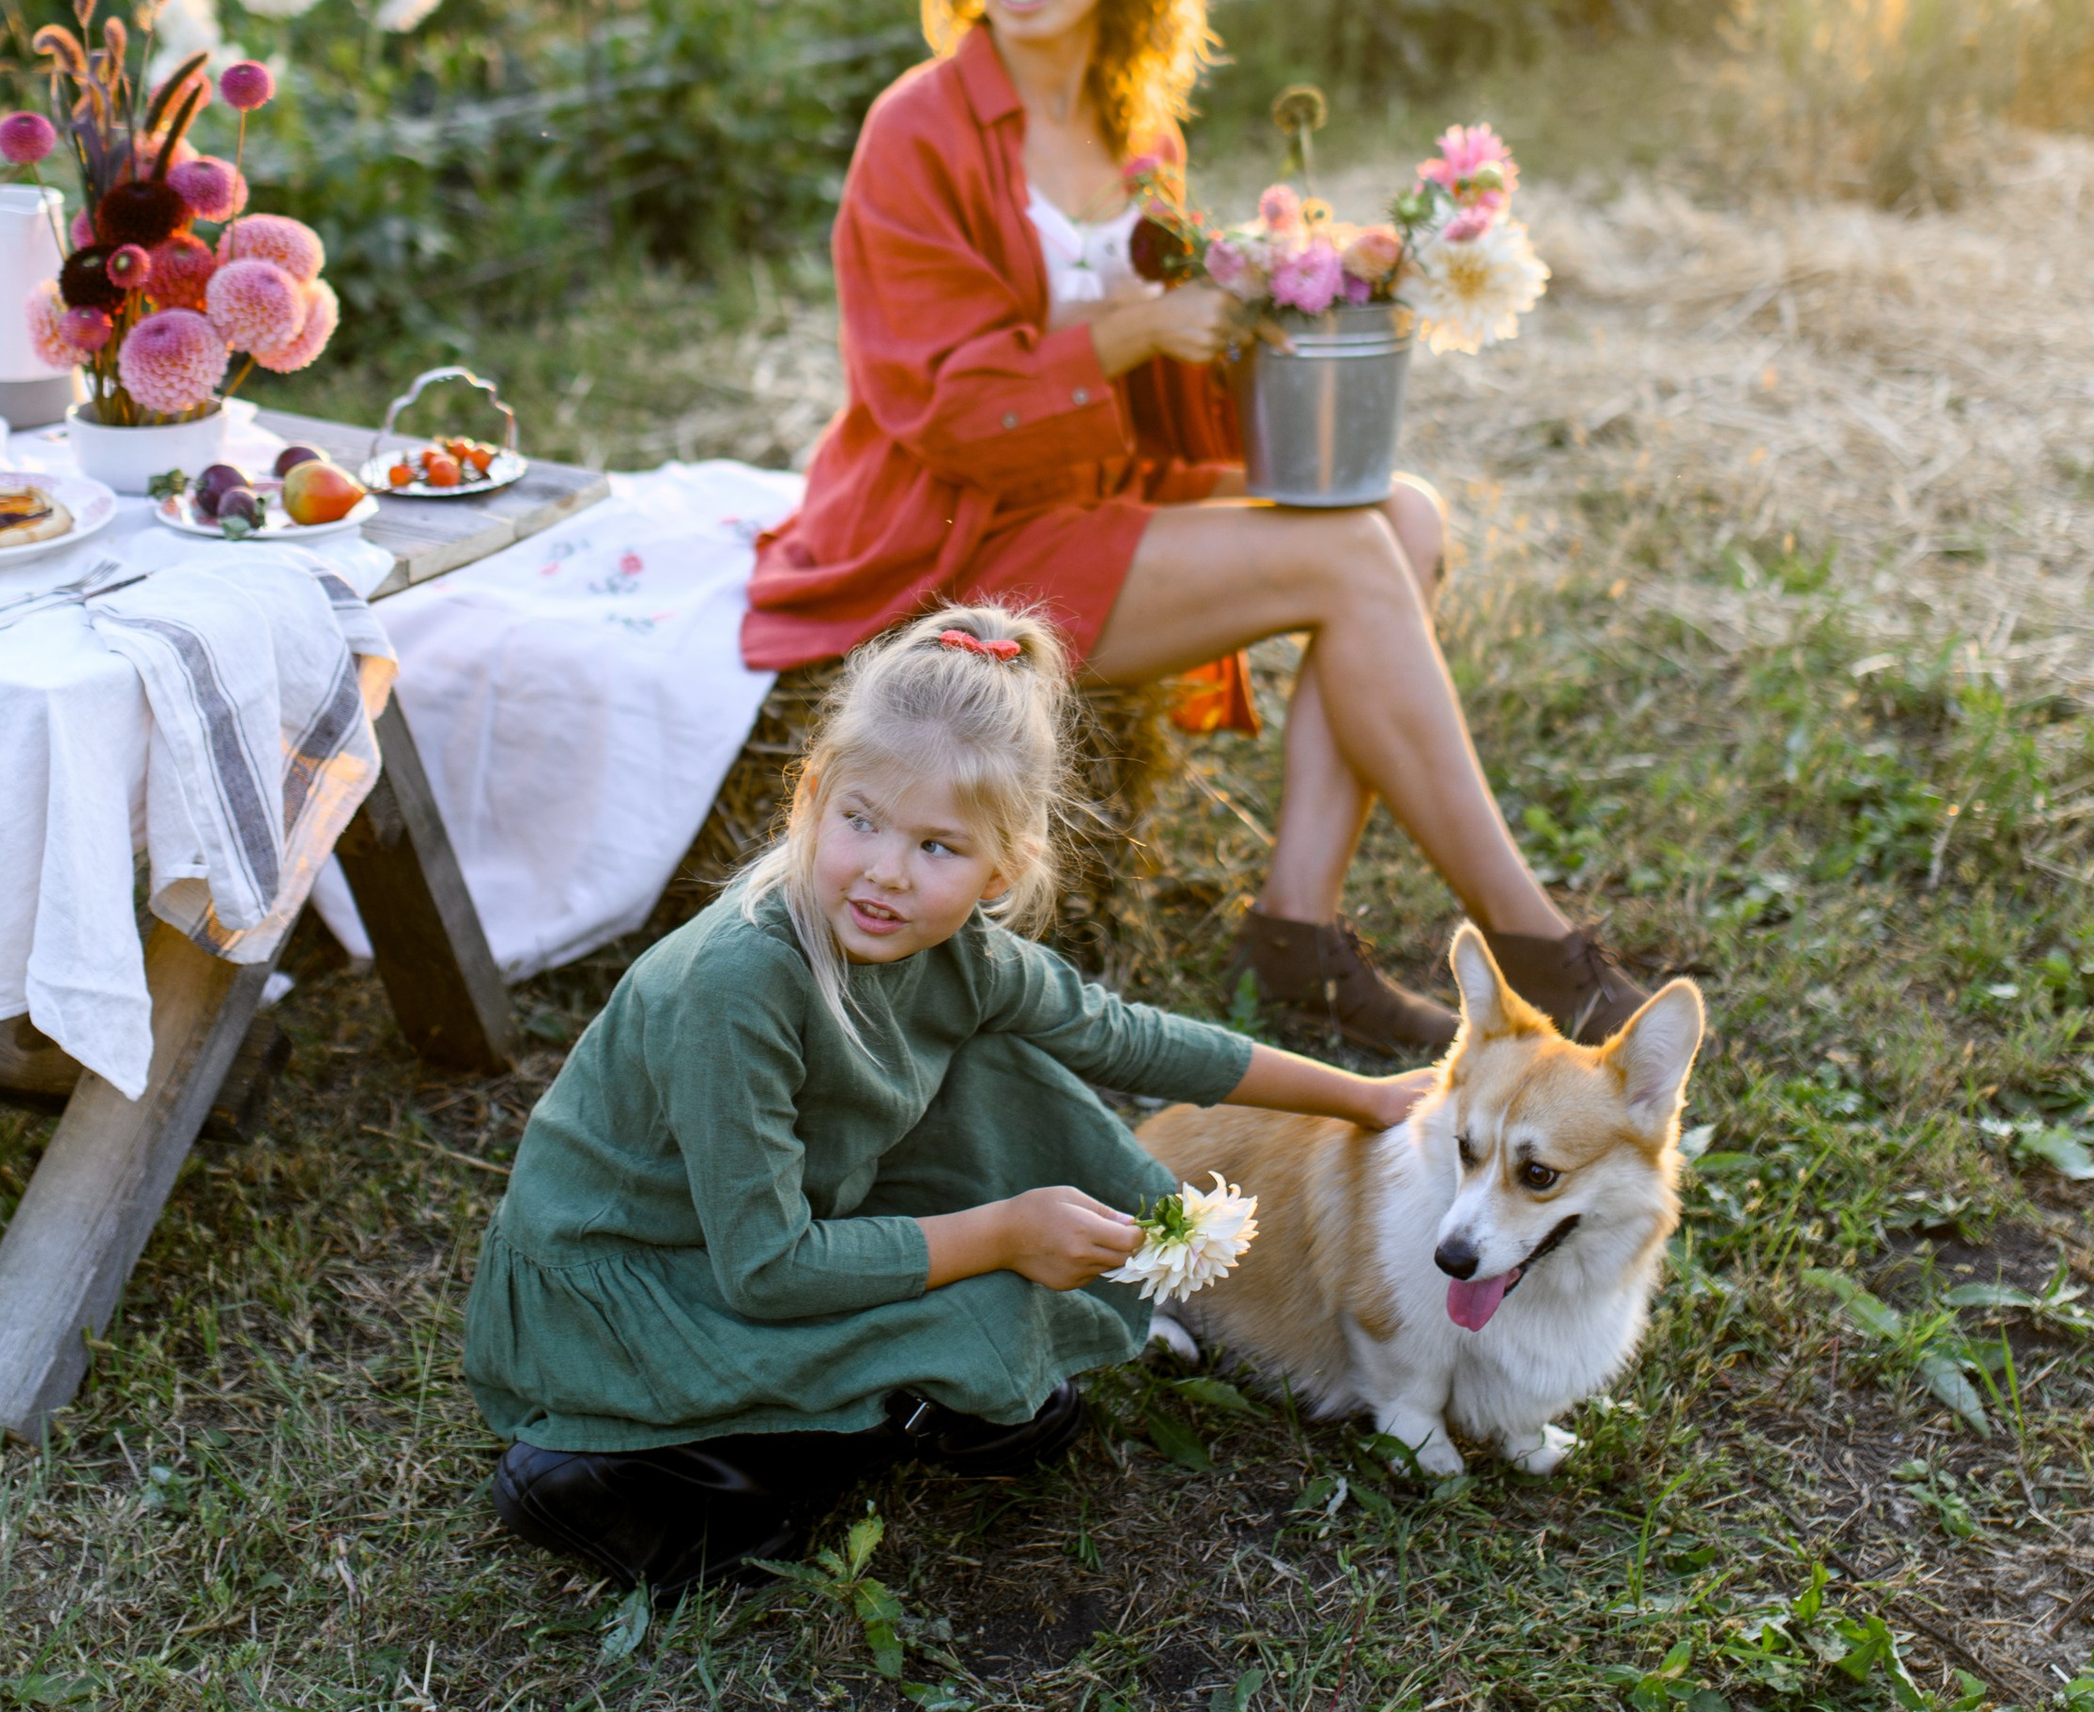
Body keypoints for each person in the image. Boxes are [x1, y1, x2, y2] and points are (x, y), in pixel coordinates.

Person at [744, 0, 1659, 1055]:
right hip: (962, 529)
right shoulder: (918, 129)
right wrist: (1128, 325)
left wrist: (1314, 282)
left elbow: (1179, 356)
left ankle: (1297, 926)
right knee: (1347, 554)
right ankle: (1536, 948)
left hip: (1096, 492)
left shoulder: (1135, 124)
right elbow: (937, 406)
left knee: (1396, 516)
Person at [475, 608, 1432, 1593]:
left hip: (791, 1218)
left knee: (998, 1070)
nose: (887, 870)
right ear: (811, 797)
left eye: (938, 846)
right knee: (937, 1353)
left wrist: (1360, 1097)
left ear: (1000, 868)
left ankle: (871, 1407)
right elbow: (766, 1269)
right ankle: (613, 1468)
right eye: (861, 820)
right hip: (640, 1272)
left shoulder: (961, 954)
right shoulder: (737, 985)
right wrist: (1007, 1232)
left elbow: (1129, 1036)